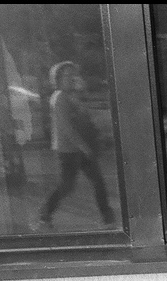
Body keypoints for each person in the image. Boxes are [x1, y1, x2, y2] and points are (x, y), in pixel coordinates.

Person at [34, 61, 116, 230]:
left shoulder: (72, 96)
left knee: (97, 182)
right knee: (67, 186)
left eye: (74, 74)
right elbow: (67, 128)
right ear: (57, 79)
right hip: (68, 151)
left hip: (81, 149)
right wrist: (84, 147)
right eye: (67, 75)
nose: (72, 78)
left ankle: (108, 219)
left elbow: (85, 119)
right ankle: (44, 215)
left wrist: (81, 95)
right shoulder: (59, 98)